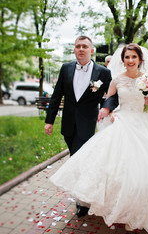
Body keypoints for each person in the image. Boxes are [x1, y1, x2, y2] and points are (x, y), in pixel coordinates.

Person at [49, 43, 148, 234]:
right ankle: (118, 204)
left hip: (143, 125)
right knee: (117, 166)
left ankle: (141, 208)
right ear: (122, 60)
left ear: (140, 59)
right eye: (127, 57)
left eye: (133, 57)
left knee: (143, 169)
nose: (130, 60)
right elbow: (111, 99)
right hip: (124, 122)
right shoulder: (117, 79)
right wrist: (107, 110)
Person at [44, 36, 114, 217]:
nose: (81, 49)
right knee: (77, 159)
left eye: (85, 46)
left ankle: (82, 200)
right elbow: (56, 95)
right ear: (74, 50)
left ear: (92, 50)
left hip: (89, 124)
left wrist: (107, 107)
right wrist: (49, 120)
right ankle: (85, 194)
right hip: (68, 124)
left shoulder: (102, 72)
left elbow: (113, 94)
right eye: (78, 46)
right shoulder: (66, 68)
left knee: (80, 160)